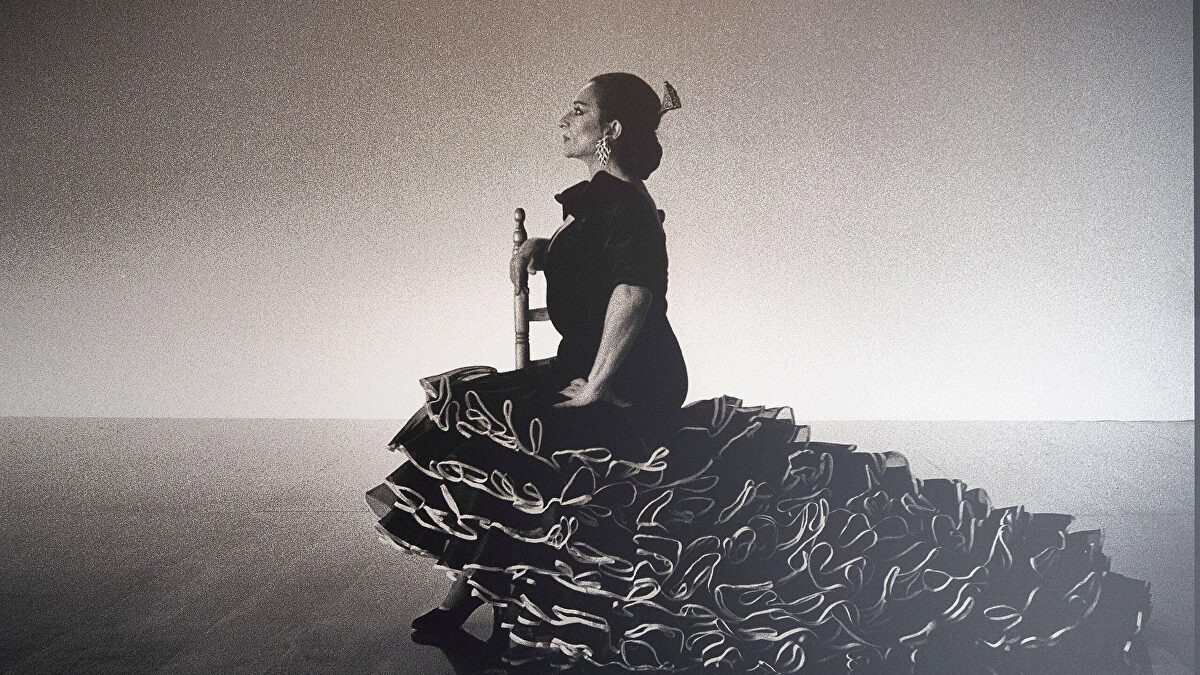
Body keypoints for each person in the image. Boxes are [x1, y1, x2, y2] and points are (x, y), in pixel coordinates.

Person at [367, 73, 1151, 673]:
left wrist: (598, 386)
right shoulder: (597, 203)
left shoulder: (627, 205)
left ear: (609, 132)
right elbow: (593, 267)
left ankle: (476, 600)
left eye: (577, 110)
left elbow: (635, 296)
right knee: (482, 437)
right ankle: (462, 599)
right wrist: (545, 250)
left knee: (514, 443)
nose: (562, 118)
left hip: (630, 376)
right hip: (591, 363)